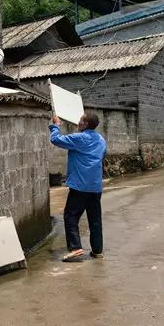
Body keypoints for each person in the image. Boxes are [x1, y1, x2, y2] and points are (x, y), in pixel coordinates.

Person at [50, 112, 107, 262]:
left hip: (80, 186)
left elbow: (55, 139)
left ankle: (75, 248)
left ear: (85, 124)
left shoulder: (79, 138)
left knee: (70, 216)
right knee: (95, 219)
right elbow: (102, 156)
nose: (78, 122)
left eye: (81, 120)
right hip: (95, 186)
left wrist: (56, 125)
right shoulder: (101, 139)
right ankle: (97, 250)